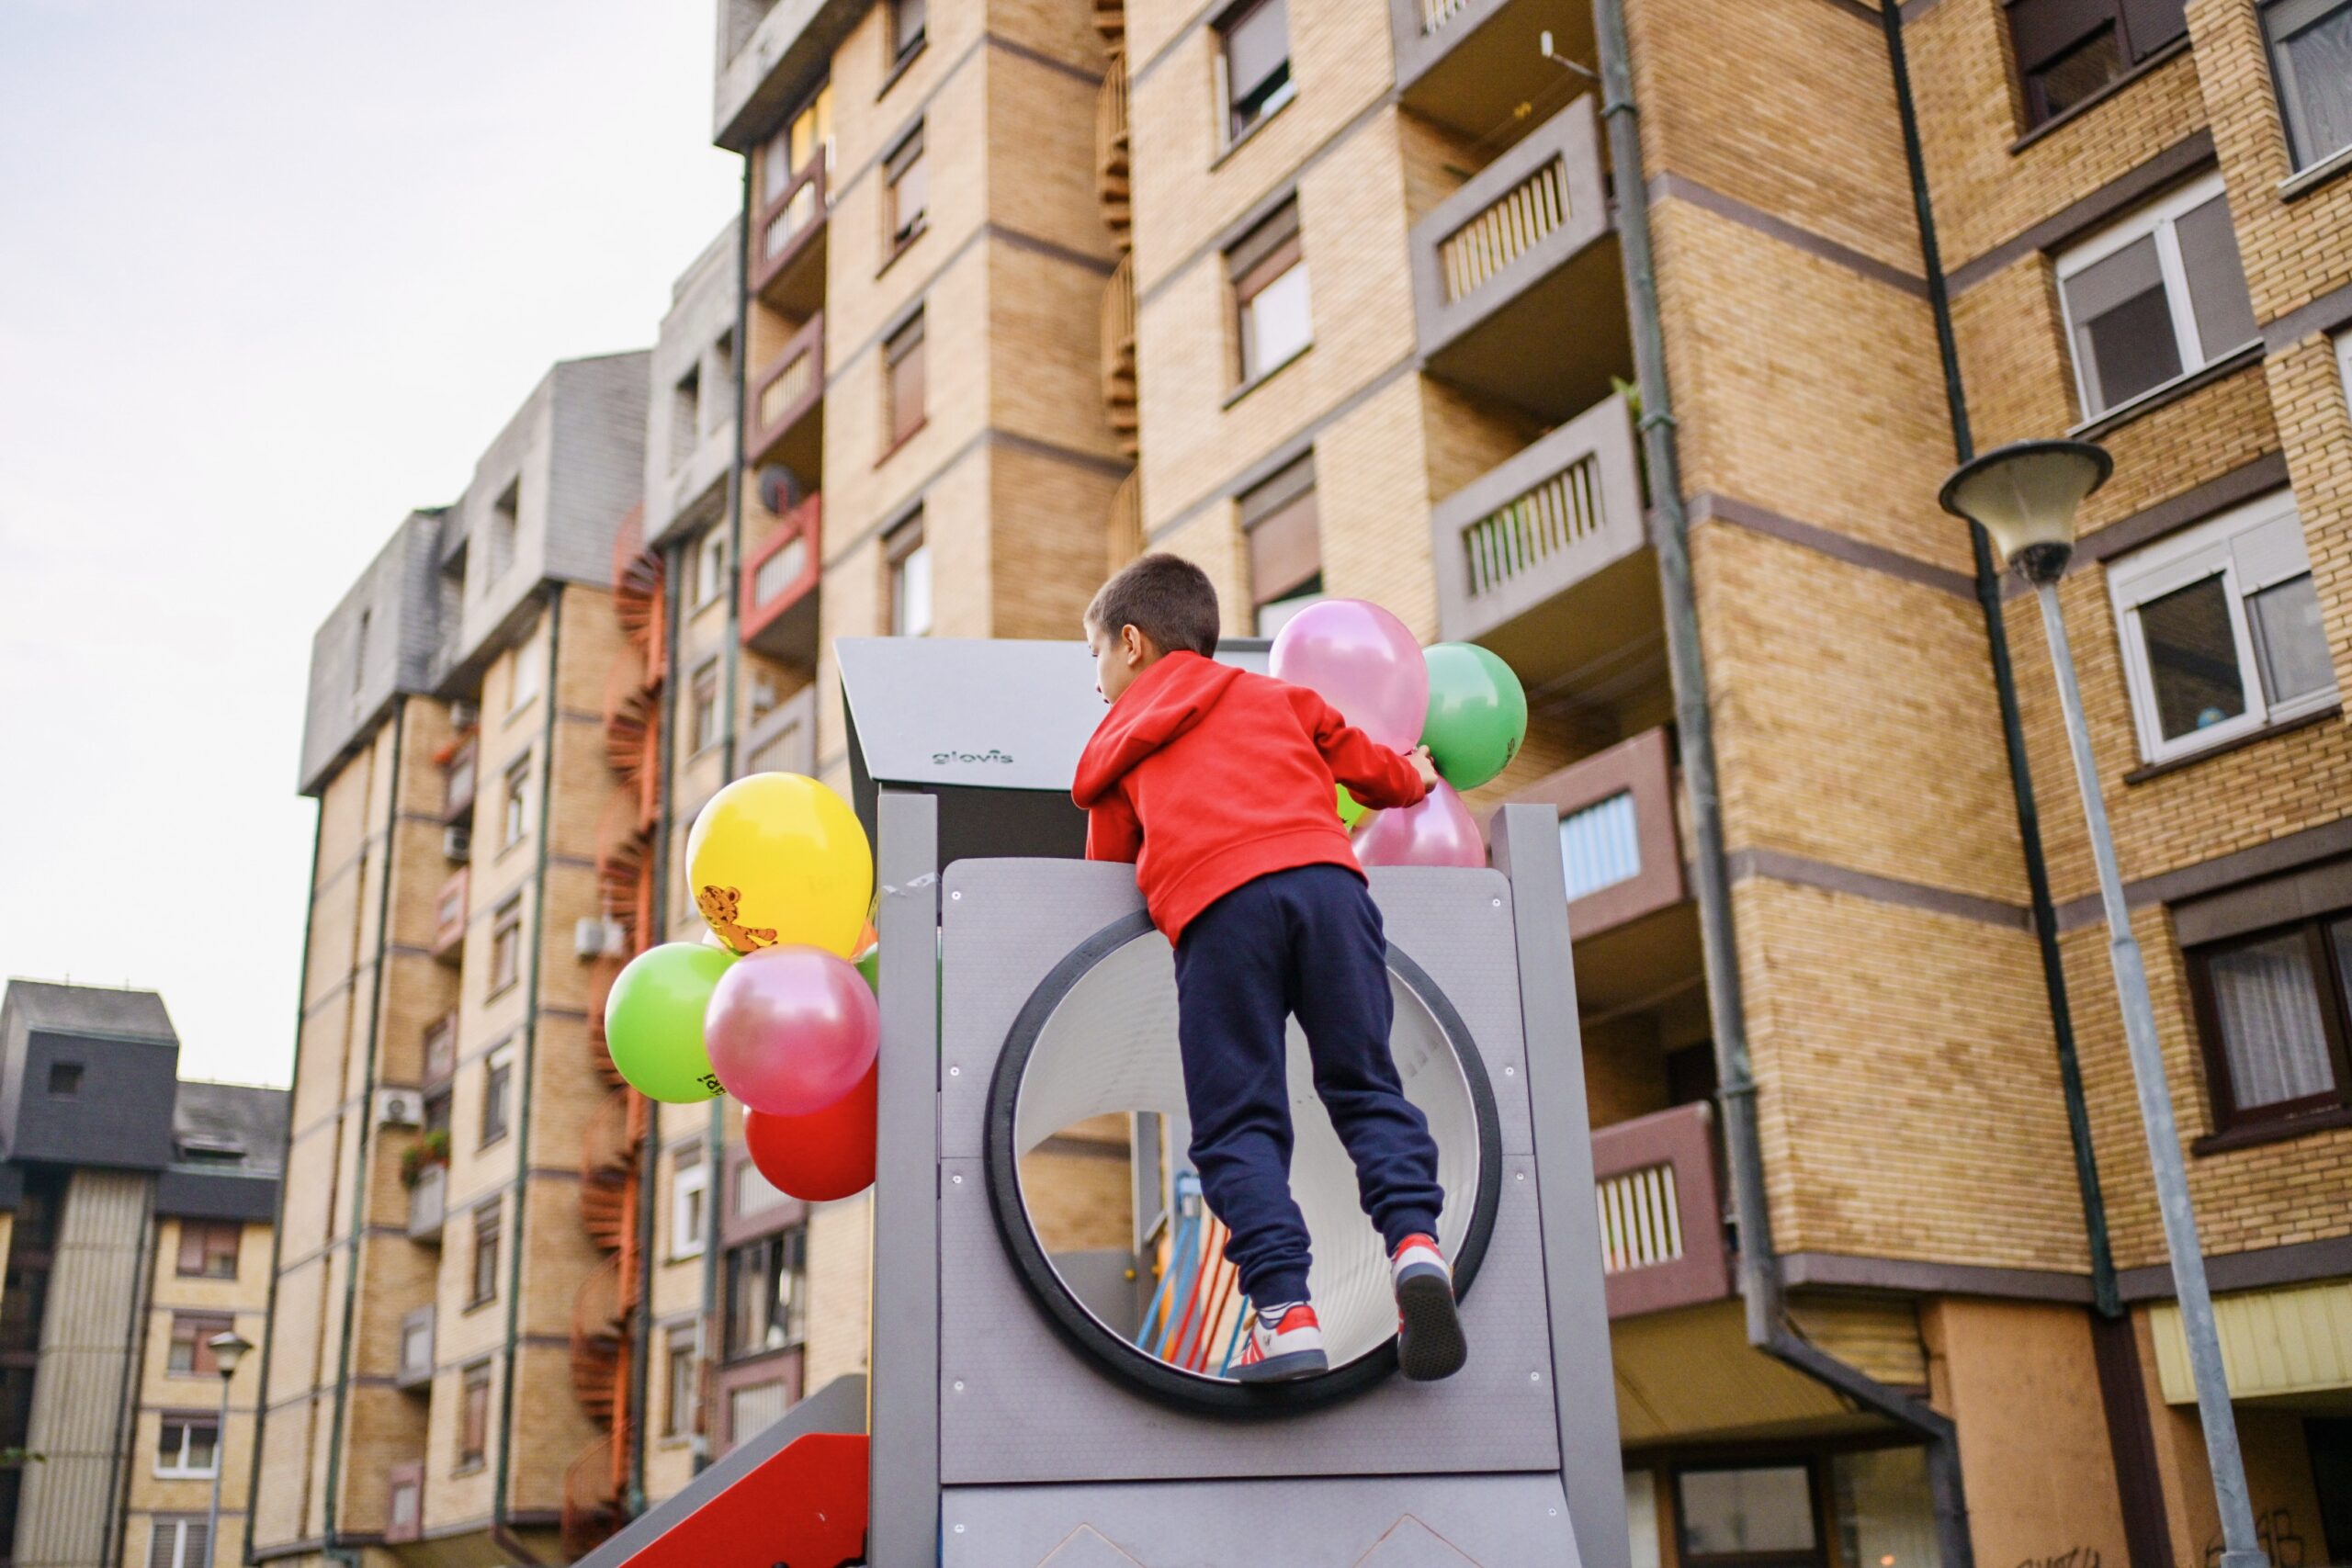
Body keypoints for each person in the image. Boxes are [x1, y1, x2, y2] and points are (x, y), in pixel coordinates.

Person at [1071, 553, 1464, 1383]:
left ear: (1133, 644)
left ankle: (1285, 1313)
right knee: (1365, 1084)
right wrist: (1417, 775)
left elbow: (1103, 876)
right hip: (1329, 889)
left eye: (1096, 655)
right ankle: (1417, 1248)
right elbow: (1372, 768)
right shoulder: (1279, 698)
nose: (1096, 679)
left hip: (1221, 915)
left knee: (1238, 1123)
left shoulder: (1117, 746)